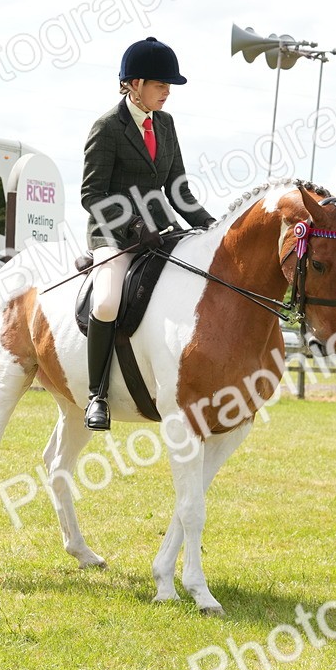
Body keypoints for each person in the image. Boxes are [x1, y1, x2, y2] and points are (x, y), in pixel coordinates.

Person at [80, 36, 216, 431]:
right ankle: (97, 395)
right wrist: (132, 225)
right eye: (160, 84)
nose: (167, 92)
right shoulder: (108, 127)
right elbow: (92, 195)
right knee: (107, 302)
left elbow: (178, 190)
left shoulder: (166, 124)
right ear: (135, 84)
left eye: (168, 85)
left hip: (162, 231)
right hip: (114, 235)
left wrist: (211, 227)